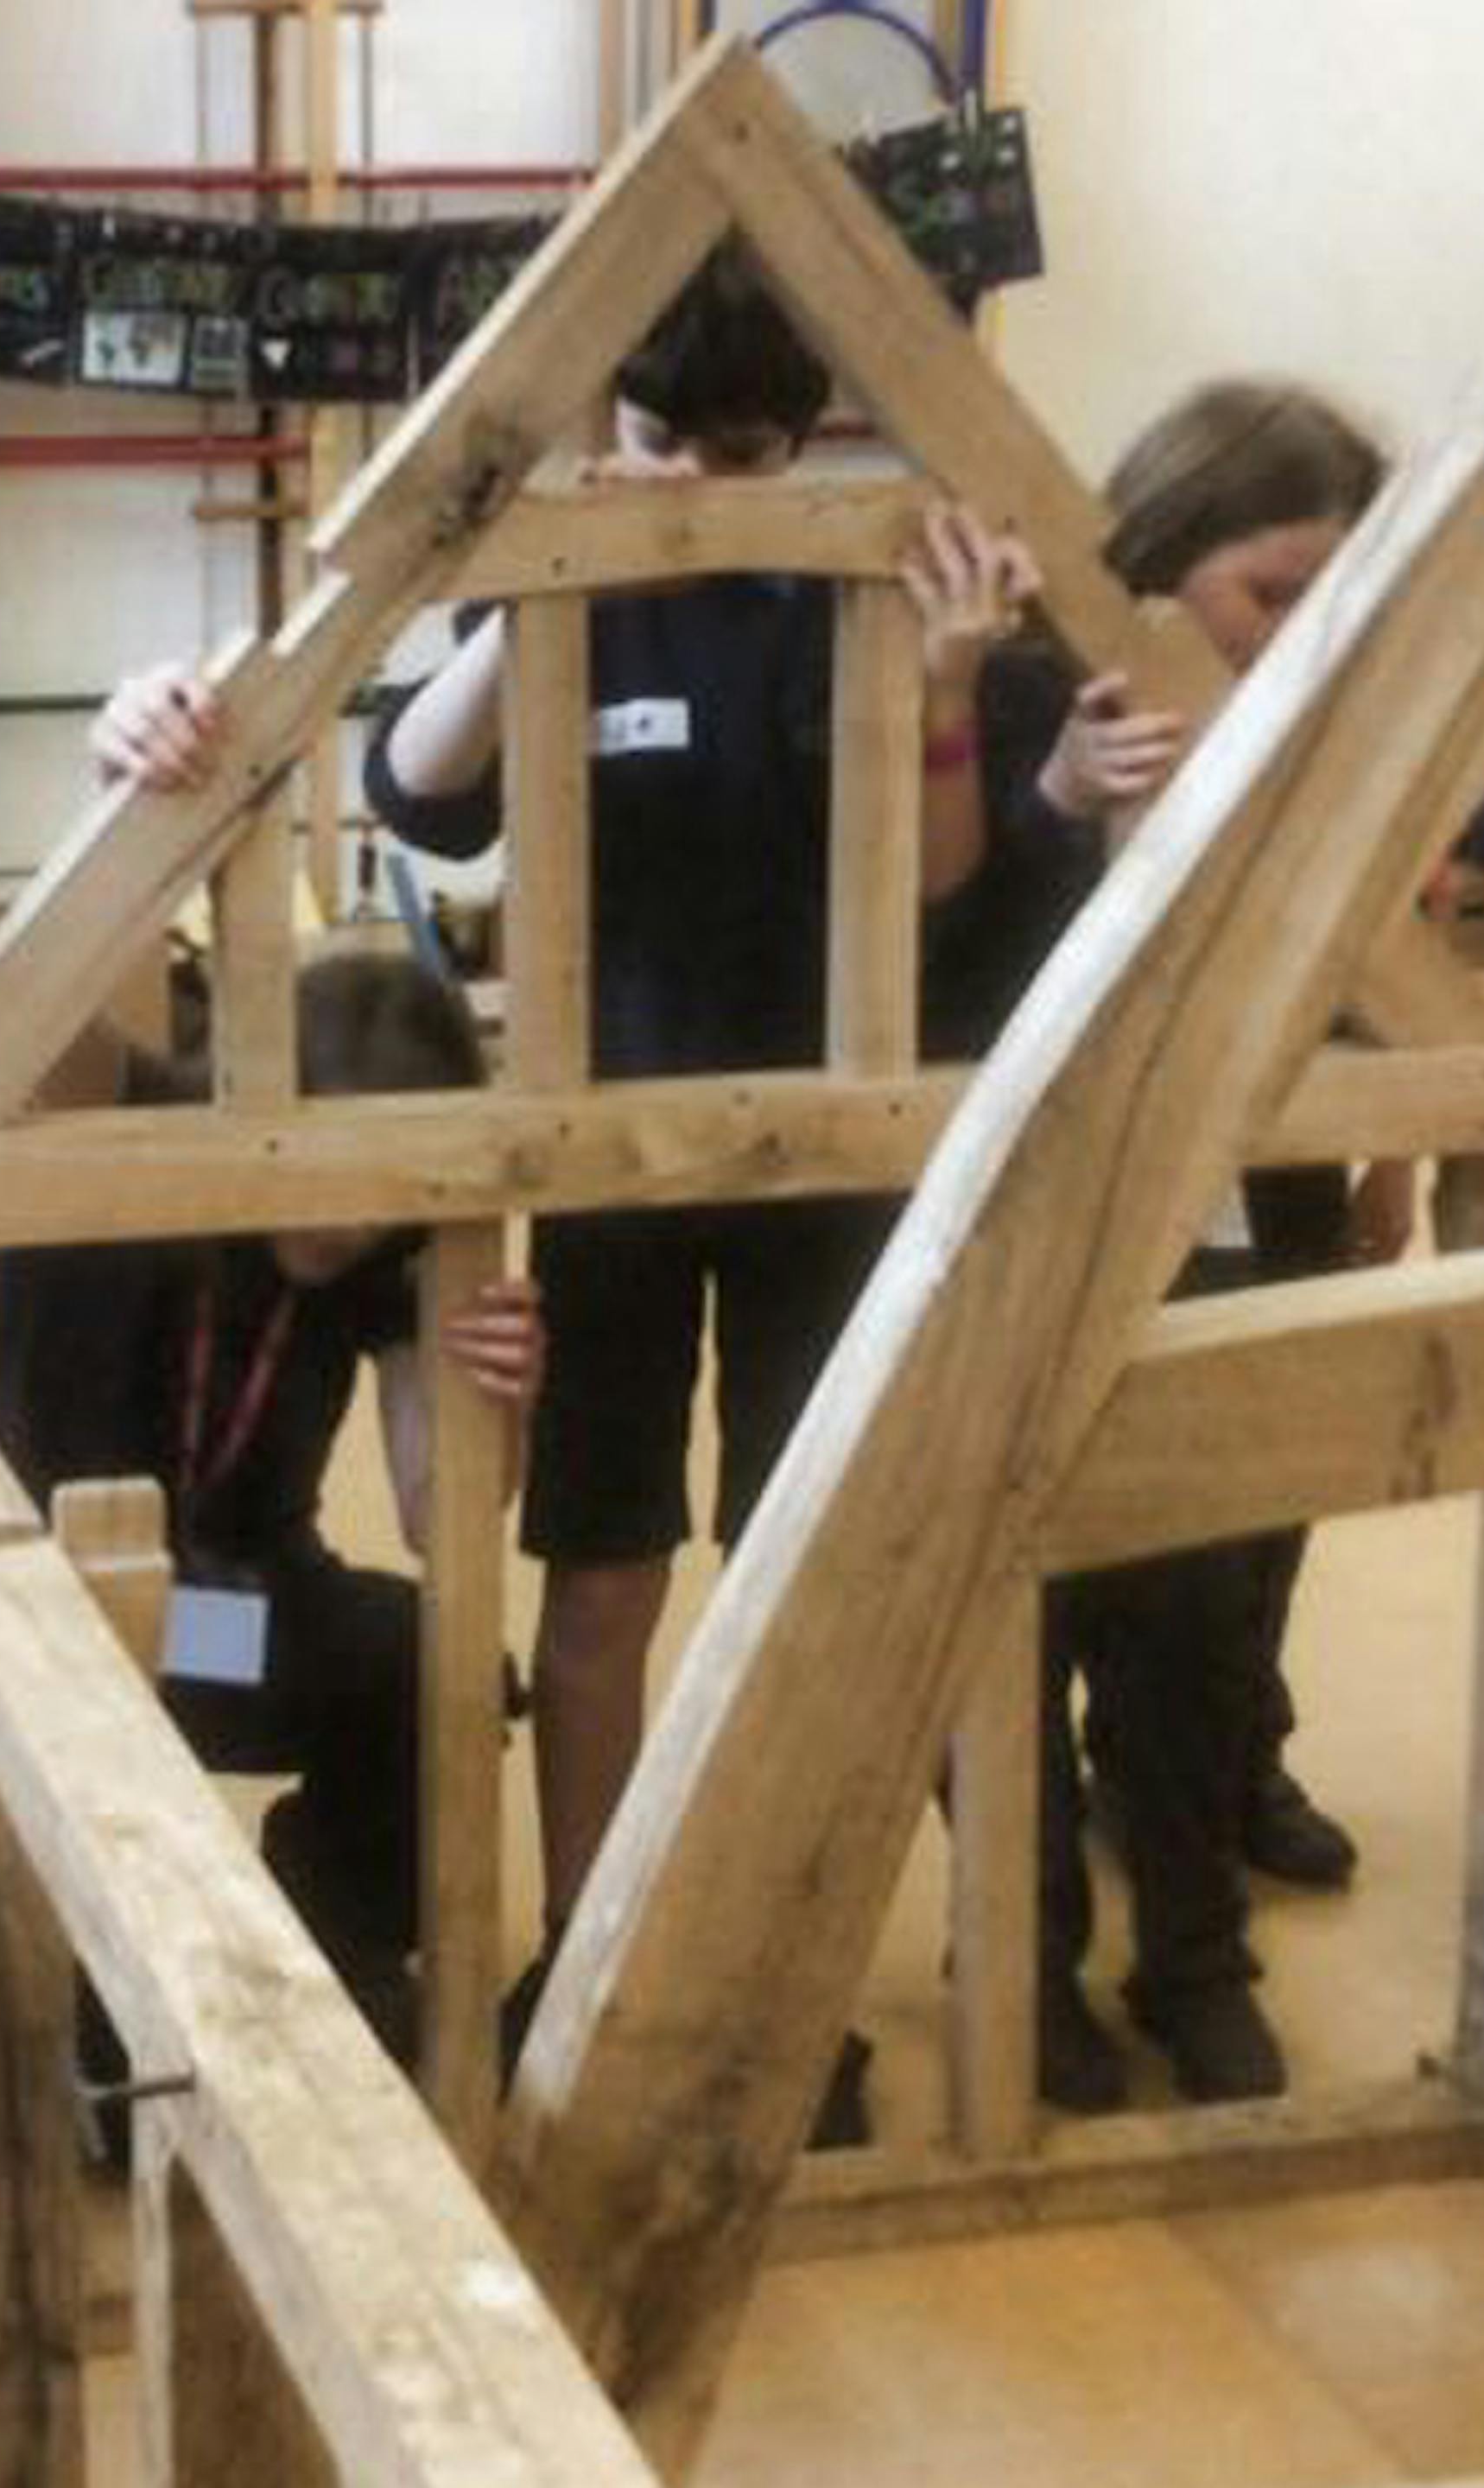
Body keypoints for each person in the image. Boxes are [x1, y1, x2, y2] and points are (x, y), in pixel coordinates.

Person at [331, 244, 1030, 2146]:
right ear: (611, 419)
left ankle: (781, 1971)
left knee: (813, 1584)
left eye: (745, 449)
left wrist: (947, 685)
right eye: (664, 439)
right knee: (606, 1574)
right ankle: (589, 1953)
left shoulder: (845, 583)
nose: (705, 484)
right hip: (615, 1164)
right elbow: (412, 791)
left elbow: (942, 885)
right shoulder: (576, 585)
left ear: (798, 438)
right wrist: (551, 572)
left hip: (824, 1165)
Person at [923, 378, 1398, 2107]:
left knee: (1203, 1605)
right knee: (1011, 1608)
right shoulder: (1032, 685)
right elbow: (947, 972)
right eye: (1268, 591)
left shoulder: (1326, 713)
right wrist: (1055, 798)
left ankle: (1194, 1954)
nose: (1291, 629)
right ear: (1163, 554)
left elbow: (1358, 961)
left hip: (1241, 1204)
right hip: (1028, 1209)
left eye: (1327, 595)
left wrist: (1383, 1156)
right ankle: (1022, 1952)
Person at [0, 948, 544, 2108]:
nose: (349, 1222)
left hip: (225, 1608)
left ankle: (334, 1941)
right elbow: (28, 1000)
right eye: (329, 1167)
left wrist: (497, 1400)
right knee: (118, 2069)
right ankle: (94, 2002)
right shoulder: (141, 1121)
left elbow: (440, 1519)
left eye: (383, 1190)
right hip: (48, 1598)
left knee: (438, 1662)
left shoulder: (390, 1250)